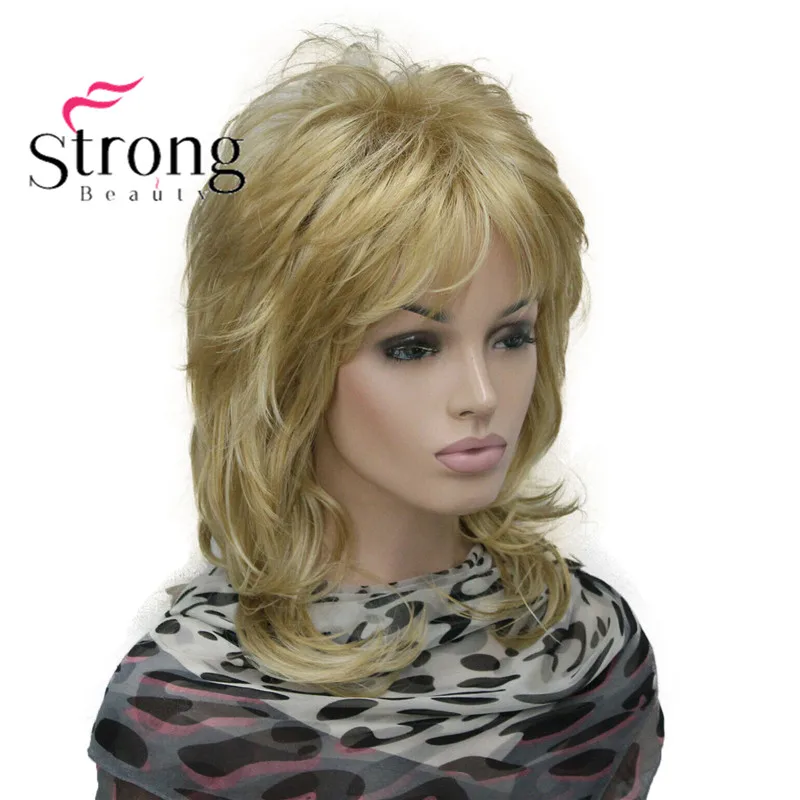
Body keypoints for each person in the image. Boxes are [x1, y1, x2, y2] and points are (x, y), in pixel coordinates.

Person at [87, 25, 665, 799]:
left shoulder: (591, 654)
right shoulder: (187, 706)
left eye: (511, 337)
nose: (481, 394)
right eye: (413, 347)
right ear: (287, 362)